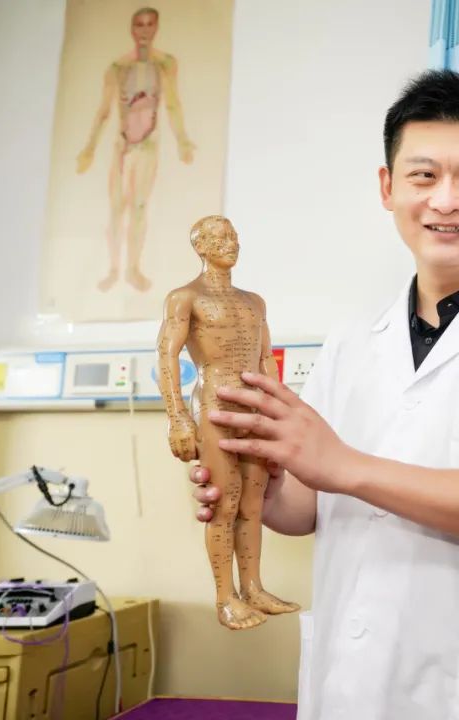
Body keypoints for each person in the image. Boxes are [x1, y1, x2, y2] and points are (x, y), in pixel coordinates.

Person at [188, 70, 459, 720]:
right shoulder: (353, 339)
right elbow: (312, 505)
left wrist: (347, 466)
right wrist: (260, 490)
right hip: (347, 685)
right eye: (423, 176)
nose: (446, 200)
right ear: (387, 187)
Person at [156, 215, 299, 630]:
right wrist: (177, 418)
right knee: (224, 503)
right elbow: (166, 355)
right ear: (199, 246)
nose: (230, 243)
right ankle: (225, 598)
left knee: (252, 504)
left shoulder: (255, 302)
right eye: (219, 237)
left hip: (254, 408)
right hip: (214, 405)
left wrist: (277, 413)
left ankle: (253, 587)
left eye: (233, 236)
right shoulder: (185, 298)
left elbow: (266, 359)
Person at [77, 6, 196, 293]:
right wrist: (89, 148)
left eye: (149, 24)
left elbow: (172, 103)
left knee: (140, 207)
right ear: (132, 29)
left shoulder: (165, 64)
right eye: (139, 25)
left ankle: (133, 269)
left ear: (156, 28)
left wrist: (182, 140)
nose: (144, 30)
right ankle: (113, 269)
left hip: (148, 146)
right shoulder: (118, 67)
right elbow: (104, 110)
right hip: (123, 146)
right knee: (117, 207)